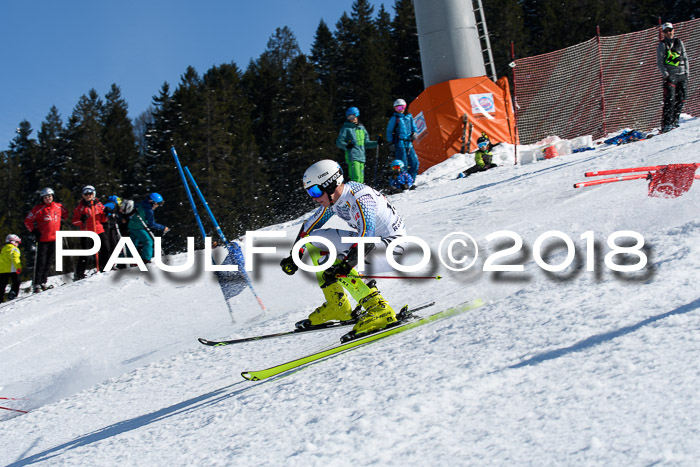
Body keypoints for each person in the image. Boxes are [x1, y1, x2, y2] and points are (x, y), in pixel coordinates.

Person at [279, 159, 409, 338]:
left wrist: (345, 265)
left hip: (393, 249)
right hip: (374, 243)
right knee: (316, 239)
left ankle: (380, 309)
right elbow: (309, 226)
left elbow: (367, 237)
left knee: (337, 261)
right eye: (309, 192)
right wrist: (295, 255)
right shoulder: (336, 200)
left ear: (330, 184)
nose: (313, 197)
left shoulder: (360, 198)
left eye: (315, 191)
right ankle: (338, 306)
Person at [24, 187, 69, 293]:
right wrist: (34, 231)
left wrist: (62, 221)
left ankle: (43, 281)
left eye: (50, 196)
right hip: (43, 239)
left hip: (55, 238)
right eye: (45, 197)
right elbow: (28, 221)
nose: (48, 198)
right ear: (42, 198)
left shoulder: (58, 206)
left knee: (49, 261)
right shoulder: (38, 209)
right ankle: (36, 283)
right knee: (41, 262)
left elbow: (65, 214)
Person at [657, 22, 689, 133]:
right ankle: (667, 123)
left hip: (682, 74)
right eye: (666, 31)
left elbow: (685, 57)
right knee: (670, 99)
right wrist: (666, 74)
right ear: (663, 33)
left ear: (673, 30)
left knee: (682, 98)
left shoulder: (679, 42)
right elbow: (660, 62)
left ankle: (675, 120)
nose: (668, 33)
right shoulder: (662, 45)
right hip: (671, 75)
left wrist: (687, 72)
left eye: (670, 30)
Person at [72, 185, 110, 279]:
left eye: (90, 193)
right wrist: (81, 219)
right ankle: (79, 273)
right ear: (83, 195)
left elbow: (103, 219)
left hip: (99, 230)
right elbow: (74, 221)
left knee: (106, 249)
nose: (88, 195)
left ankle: (103, 268)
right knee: (86, 253)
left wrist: (106, 214)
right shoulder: (80, 206)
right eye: (86, 194)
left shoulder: (99, 204)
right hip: (86, 232)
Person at [336, 106, 378, 183]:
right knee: (356, 177)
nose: (351, 119)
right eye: (349, 117)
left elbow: (366, 143)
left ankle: (360, 194)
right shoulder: (346, 128)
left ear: (357, 115)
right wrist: (346, 146)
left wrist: (377, 143)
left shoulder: (362, 128)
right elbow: (339, 142)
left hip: (361, 157)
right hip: (352, 157)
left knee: (361, 179)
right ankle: (354, 193)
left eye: (353, 116)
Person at [127, 193, 169, 263]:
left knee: (133, 242)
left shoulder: (142, 203)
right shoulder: (149, 210)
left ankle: (128, 258)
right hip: (138, 227)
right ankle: (145, 259)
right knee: (148, 241)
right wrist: (163, 228)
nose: (158, 206)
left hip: (132, 225)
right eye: (158, 204)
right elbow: (152, 224)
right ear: (153, 202)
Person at [386, 98, 419, 184]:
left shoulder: (409, 117)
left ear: (405, 107)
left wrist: (414, 133)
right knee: (402, 164)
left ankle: (411, 181)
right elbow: (389, 131)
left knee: (414, 162)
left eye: (401, 108)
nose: (400, 110)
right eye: (397, 108)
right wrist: (390, 143)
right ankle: (403, 183)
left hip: (409, 143)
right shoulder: (394, 118)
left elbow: (414, 127)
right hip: (399, 143)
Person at [0, 234, 22, 302]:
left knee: (2, 285)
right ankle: (13, 293)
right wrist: (18, 267)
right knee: (16, 281)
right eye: (17, 242)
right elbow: (15, 259)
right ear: (13, 241)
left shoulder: (4, 249)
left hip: (2, 270)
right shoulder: (14, 249)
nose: (18, 244)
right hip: (12, 270)